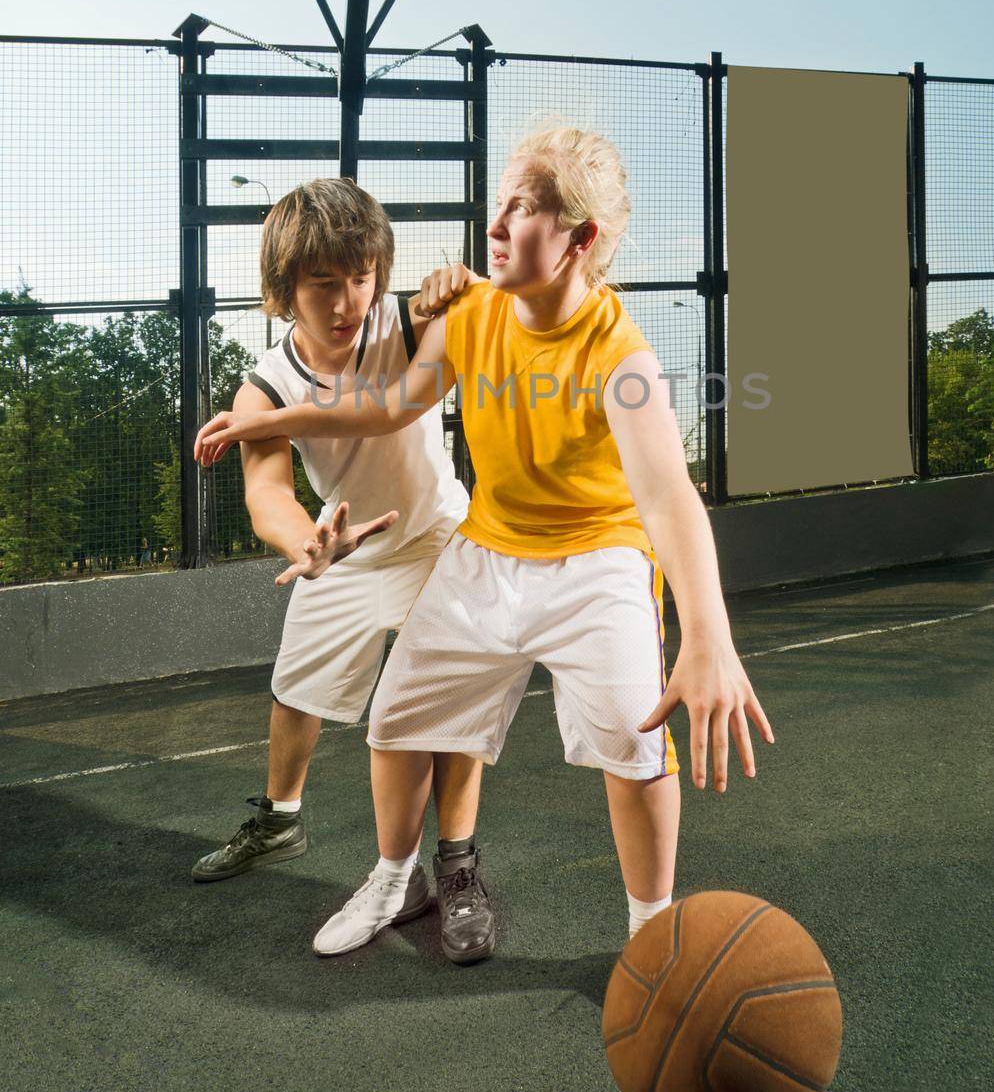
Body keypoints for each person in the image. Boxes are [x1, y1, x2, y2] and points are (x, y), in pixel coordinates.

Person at [195, 127, 774, 952]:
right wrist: (276, 421)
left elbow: (669, 497)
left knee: (634, 737)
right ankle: (397, 881)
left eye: (523, 208)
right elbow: (390, 406)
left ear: (582, 239)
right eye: (498, 203)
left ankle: (651, 929)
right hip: (486, 548)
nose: (496, 223)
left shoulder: (623, 357)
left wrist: (708, 636)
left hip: (595, 559)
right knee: (395, 720)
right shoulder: (468, 310)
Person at [191, 176, 496, 966]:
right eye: (324, 283)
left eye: (362, 276)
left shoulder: (406, 318)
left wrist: (455, 285)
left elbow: (406, 392)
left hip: (436, 536)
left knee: (443, 704)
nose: (348, 299)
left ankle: (455, 864)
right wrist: (307, 545)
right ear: (283, 290)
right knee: (295, 691)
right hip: (346, 548)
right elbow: (267, 495)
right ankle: (281, 819)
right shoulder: (263, 383)